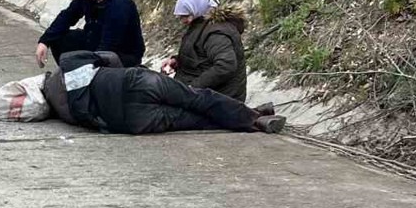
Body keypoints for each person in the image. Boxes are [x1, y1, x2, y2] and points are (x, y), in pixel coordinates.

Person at [44, 51, 284, 135]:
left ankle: (255, 121)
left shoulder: (65, 113)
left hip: (130, 119)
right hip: (132, 82)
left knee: (194, 120)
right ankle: (255, 117)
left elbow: (93, 122)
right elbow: (111, 58)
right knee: (197, 98)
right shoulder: (69, 62)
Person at [35, 0, 145, 68]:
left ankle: (83, 81)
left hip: (120, 55)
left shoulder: (120, 5)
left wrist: (85, 66)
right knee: (59, 38)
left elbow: (107, 47)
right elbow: (68, 16)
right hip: (94, 41)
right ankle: (69, 77)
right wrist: (44, 41)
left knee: (99, 60)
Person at [160, 0, 248, 102]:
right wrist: (176, 61)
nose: (183, 20)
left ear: (196, 10)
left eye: (186, 16)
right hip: (205, 92)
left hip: (223, 97)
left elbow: (226, 66)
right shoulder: (200, 25)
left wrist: (193, 88)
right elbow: (200, 55)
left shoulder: (216, 33)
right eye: (181, 17)